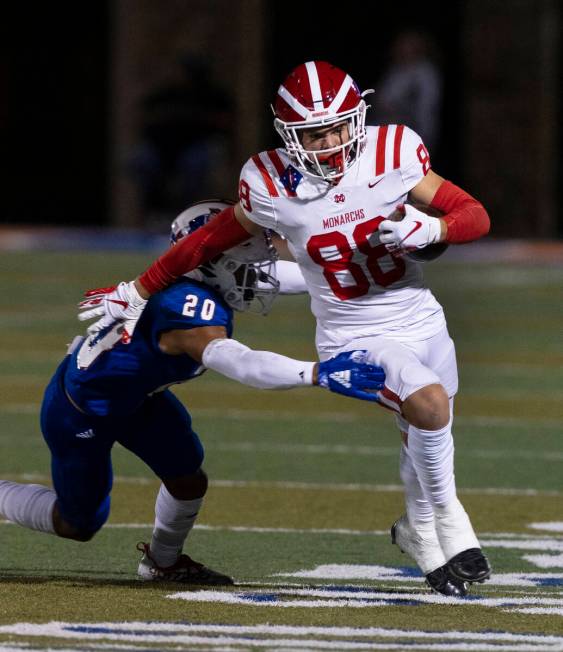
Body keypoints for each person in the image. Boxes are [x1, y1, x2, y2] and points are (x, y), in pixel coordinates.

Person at [77, 61, 492, 597]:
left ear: (358, 118)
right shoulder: (270, 183)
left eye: (341, 127)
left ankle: (417, 531)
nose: (333, 143)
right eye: (317, 133)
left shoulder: (392, 151)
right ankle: (450, 521)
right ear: (290, 136)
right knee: (430, 405)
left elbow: (474, 215)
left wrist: (435, 227)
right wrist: (139, 288)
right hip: (355, 333)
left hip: (422, 317)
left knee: (425, 429)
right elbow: (205, 244)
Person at [0, 199, 385, 584]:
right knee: (78, 523)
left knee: (187, 477)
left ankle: (163, 562)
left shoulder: (205, 278)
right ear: (210, 262)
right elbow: (240, 362)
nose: (261, 270)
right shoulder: (186, 308)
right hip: (83, 409)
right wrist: (314, 372)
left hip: (138, 398)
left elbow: (290, 275)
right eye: (246, 261)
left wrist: (365, 258)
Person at [370, 30, 442, 153]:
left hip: (416, 135)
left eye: (408, 44)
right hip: (386, 134)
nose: (403, 48)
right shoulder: (395, 71)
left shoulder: (426, 73)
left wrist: (398, 110)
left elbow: (426, 107)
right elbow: (380, 100)